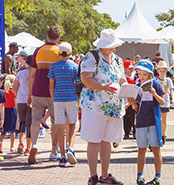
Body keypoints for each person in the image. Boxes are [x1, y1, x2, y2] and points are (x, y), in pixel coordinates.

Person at [80, 29, 127, 185]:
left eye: (113, 46)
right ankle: (93, 176)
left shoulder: (117, 59)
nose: (112, 49)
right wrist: (103, 87)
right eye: (110, 46)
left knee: (107, 140)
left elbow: (122, 80)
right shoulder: (91, 57)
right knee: (94, 140)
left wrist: (127, 88)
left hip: (113, 106)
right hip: (95, 105)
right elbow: (86, 79)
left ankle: (105, 175)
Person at [27, 26, 62, 164]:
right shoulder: (60, 51)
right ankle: (54, 151)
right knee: (55, 122)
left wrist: (29, 93)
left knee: (35, 120)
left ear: (47, 36)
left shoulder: (38, 50)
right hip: (55, 93)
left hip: (38, 91)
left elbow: (32, 75)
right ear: (58, 38)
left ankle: (34, 144)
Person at [131, 59, 164, 185]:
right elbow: (136, 107)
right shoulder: (138, 86)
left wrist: (155, 94)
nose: (141, 77)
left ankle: (158, 176)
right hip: (141, 120)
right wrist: (133, 103)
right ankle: (140, 175)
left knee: (156, 148)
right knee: (141, 148)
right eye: (139, 74)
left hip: (154, 120)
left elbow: (162, 102)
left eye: (144, 74)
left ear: (150, 74)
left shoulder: (155, 84)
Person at [48, 41, 80, 167]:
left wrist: (53, 97)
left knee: (60, 128)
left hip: (58, 98)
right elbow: (77, 84)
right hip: (71, 98)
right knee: (72, 125)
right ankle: (70, 148)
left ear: (59, 53)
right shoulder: (75, 66)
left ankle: (61, 156)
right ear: (70, 53)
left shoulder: (54, 66)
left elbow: (51, 86)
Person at [13, 49, 32, 154]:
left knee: (22, 122)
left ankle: (20, 142)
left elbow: (14, 87)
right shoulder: (33, 73)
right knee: (29, 123)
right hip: (31, 100)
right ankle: (28, 148)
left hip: (21, 99)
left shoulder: (20, 73)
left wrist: (18, 95)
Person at [155, 60, 174, 143]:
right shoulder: (155, 80)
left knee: (164, 120)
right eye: (160, 71)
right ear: (158, 71)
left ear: (166, 71)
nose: (162, 72)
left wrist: (173, 99)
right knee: (157, 119)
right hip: (157, 102)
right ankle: (157, 134)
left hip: (165, 102)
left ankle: (162, 134)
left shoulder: (168, 80)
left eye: (163, 71)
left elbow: (171, 90)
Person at [0, 74, 17, 153]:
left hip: (5, 110)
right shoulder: (13, 92)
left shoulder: (3, 92)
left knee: (4, 130)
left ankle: (0, 144)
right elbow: (15, 103)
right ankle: (12, 146)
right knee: (12, 131)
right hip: (12, 110)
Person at [123, 60, 137, 140]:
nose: (131, 70)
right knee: (126, 117)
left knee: (134, 117)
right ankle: (126, 132)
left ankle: (135, 132)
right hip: (125, 100)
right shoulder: (123, 77)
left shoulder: (135, 76)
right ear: (125, 68)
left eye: (132, 68)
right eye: (129, 68)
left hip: (133, 100)